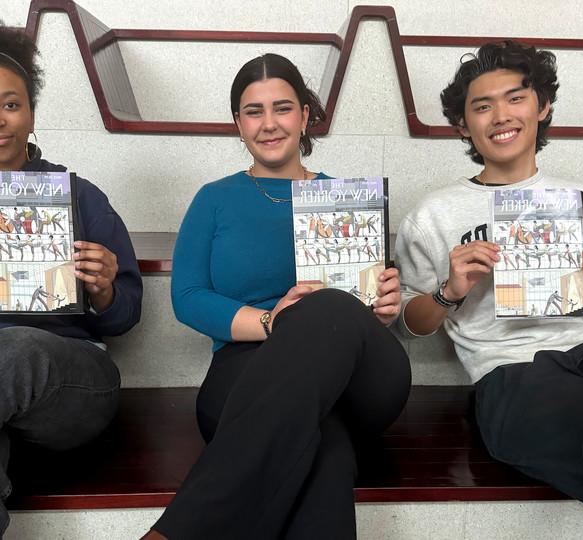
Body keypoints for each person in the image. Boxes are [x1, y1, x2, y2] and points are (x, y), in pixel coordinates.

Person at [143, 53, 410, 540]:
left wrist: (385, 307)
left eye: (282, 108)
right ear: (238, 124)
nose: (269, 124)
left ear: (305, 116)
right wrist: (271, 322)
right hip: (245, 371)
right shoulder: (214, 199)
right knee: (324, 452)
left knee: (328, 305)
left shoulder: (347, 198)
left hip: (357, 382)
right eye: (253, 111)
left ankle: (181, 529)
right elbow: (187, 296)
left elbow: (367, 308)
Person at [395, 40, 583, 539]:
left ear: (542, 107)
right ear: (463, 125)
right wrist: (451, 291)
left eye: (516, 97)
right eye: (482, 105)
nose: (501, 114)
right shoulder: (434, 214)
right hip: (512, 372)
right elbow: (407, 326)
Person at [0, 24, 142, 535]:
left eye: (11, 104)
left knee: (12, 350)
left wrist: (104, 288)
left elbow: (127, 314)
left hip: (73, 381)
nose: (0, 120)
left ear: (31, 113)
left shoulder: (78, 195)